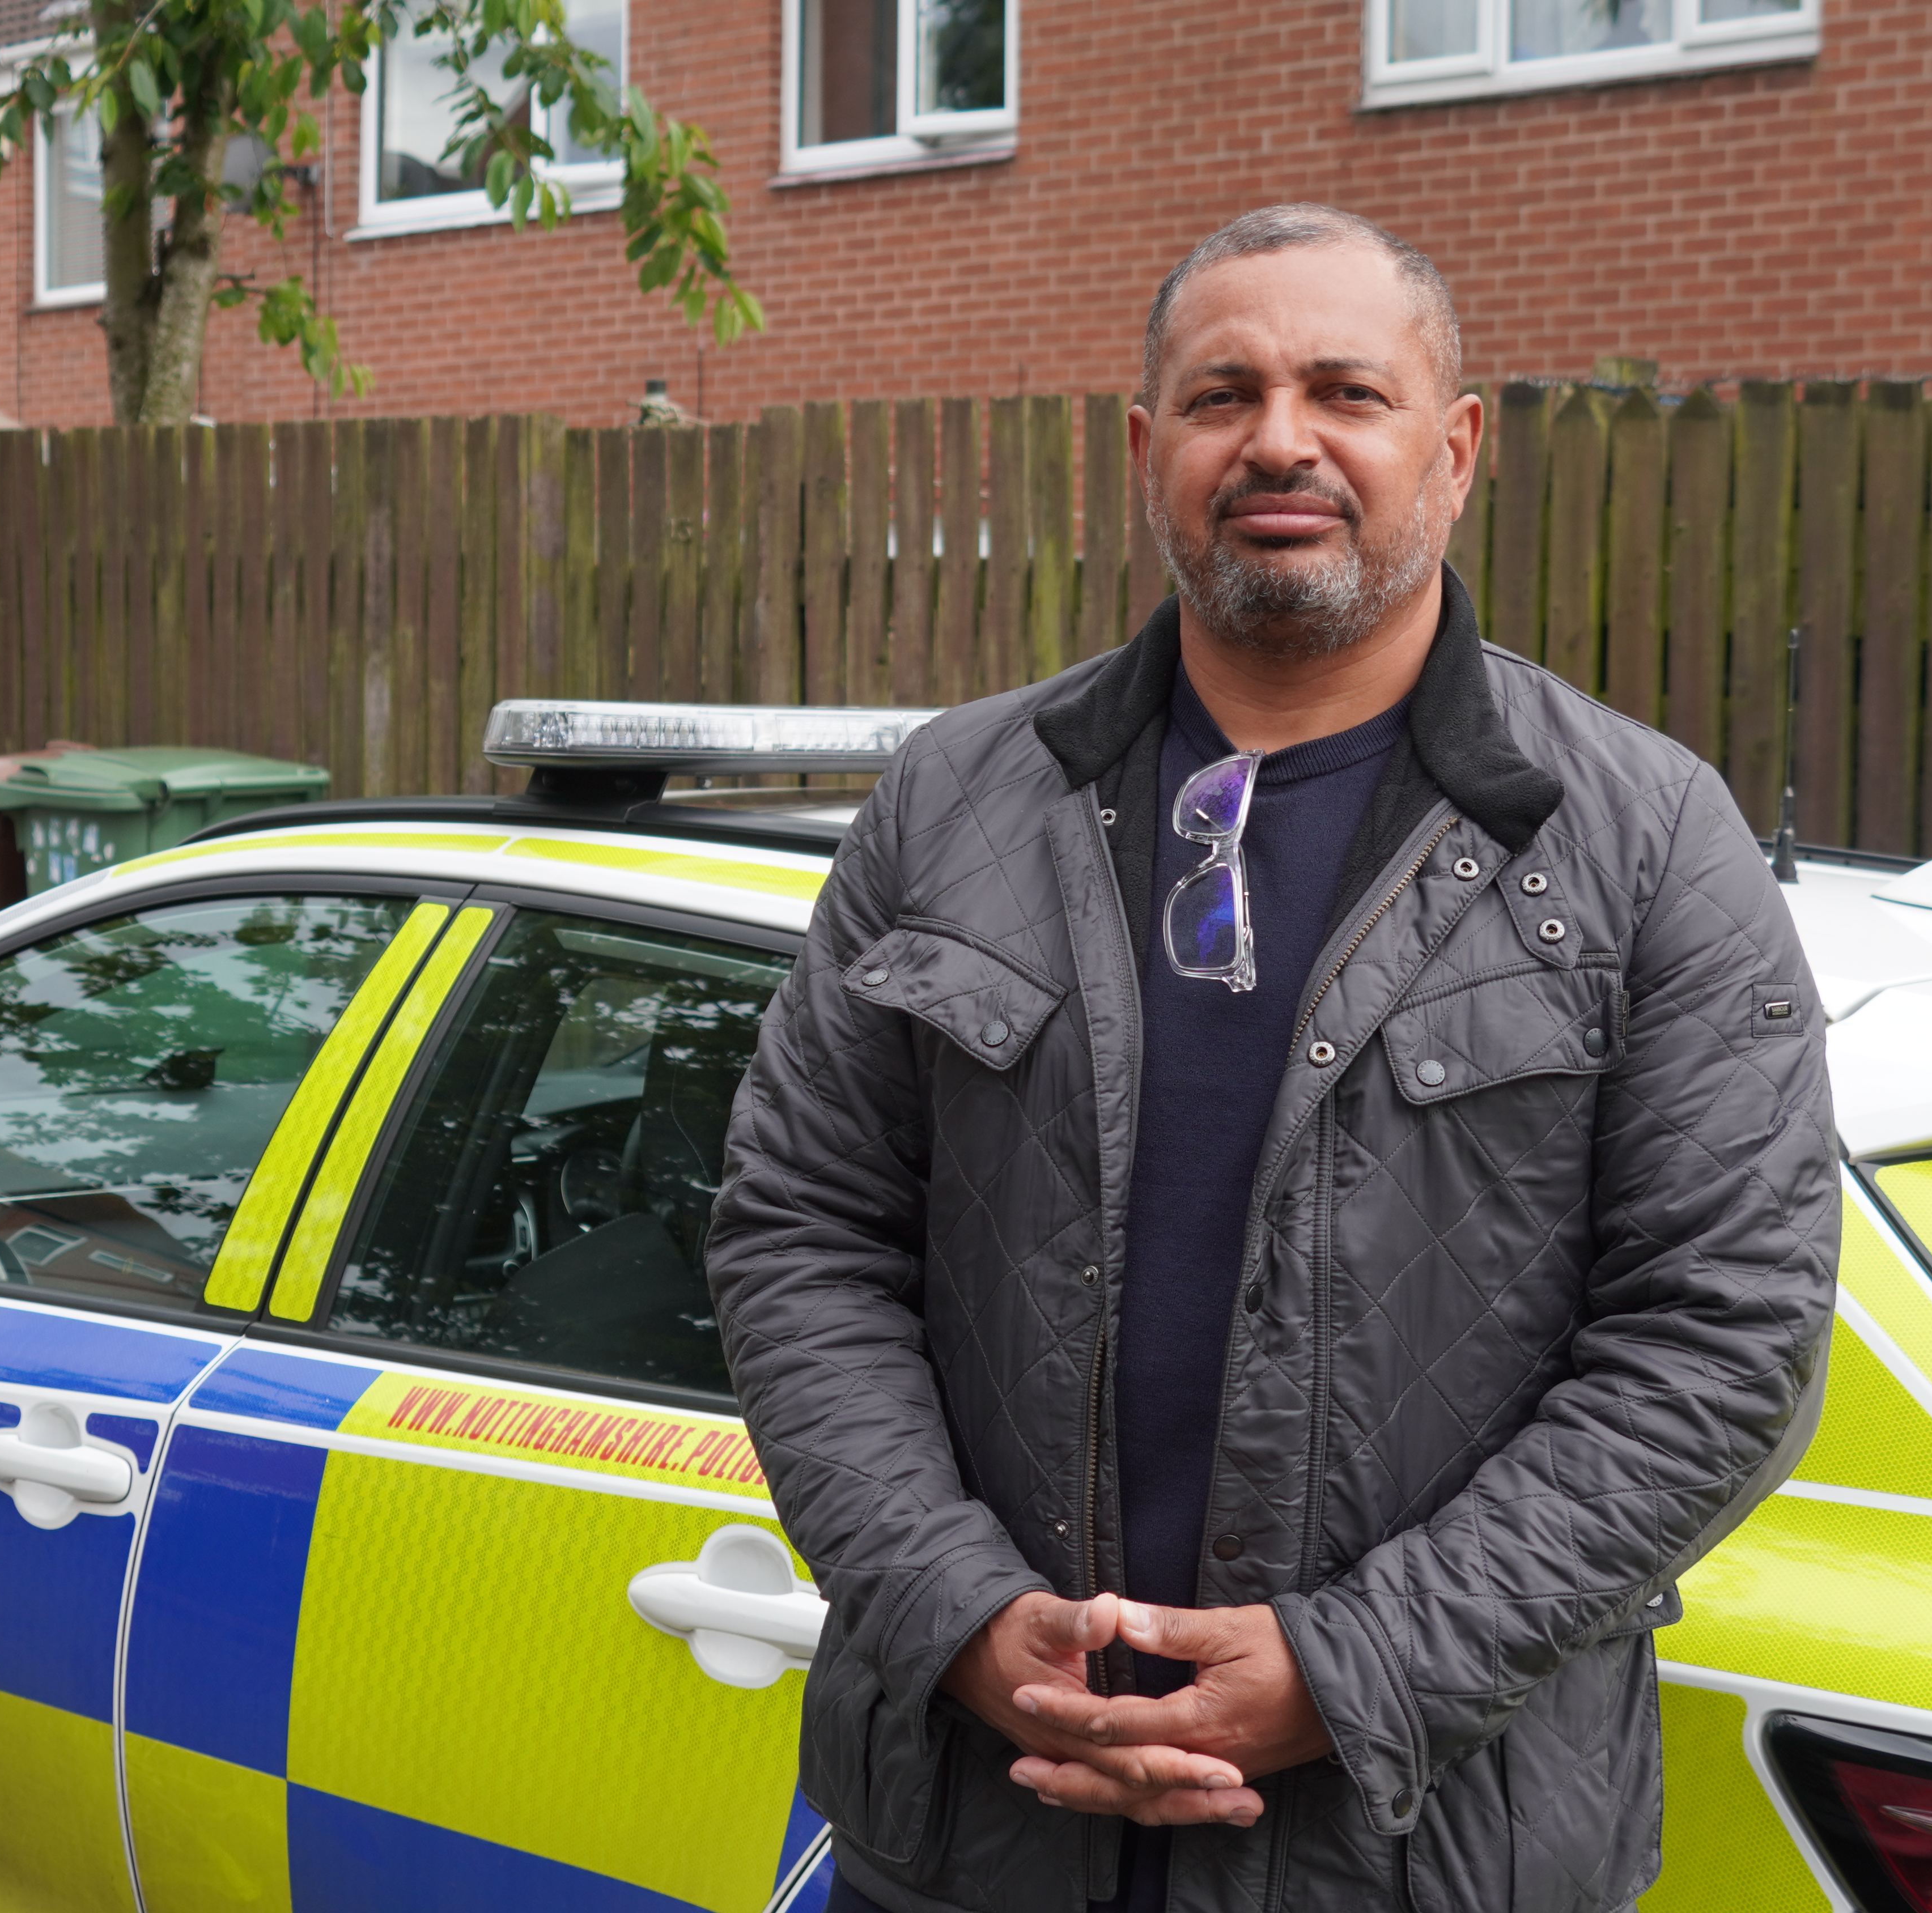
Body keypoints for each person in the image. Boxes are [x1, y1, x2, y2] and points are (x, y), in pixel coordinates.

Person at [706, 204, 1837, 1913]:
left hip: (1417, 1856)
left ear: (1453, 450)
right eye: (1224, 395)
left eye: (1345, 393)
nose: (1281, 441)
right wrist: (955, 1617)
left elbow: (1728, 1334)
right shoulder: (951, 805)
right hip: (974, 1832)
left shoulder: (1645, 844)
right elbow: (801, 1236)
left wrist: (1353, 1671)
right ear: (1150, 450)